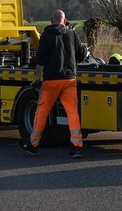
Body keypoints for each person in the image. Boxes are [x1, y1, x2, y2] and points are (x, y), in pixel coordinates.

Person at [21, 9, 88, 158]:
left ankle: (33, 144)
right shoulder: (72, 34)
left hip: (51, 80)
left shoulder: (46, 35)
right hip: (69, 80)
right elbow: (82, 54)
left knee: (42, 112)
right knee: (72, 113)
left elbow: (41, 59)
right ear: (65, 20)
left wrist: (37, 78)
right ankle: (76, 146)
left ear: (52, 20)